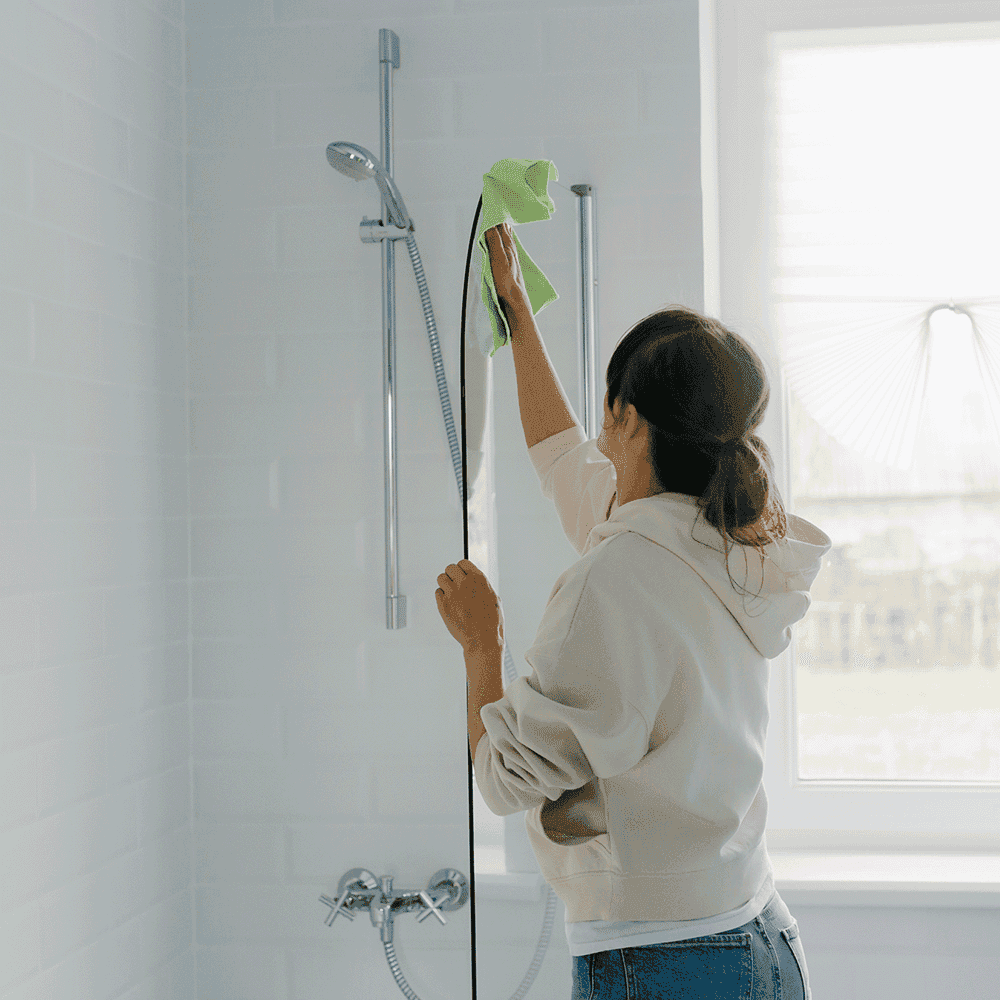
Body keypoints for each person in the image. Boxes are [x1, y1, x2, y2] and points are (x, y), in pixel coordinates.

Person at [470, 223, 831, 998]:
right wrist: (518, 316)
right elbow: (559, 453)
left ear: (627, 416)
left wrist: (480, 642)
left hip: (666, 962)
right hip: (762, 937)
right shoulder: (729, 542)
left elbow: (504, 779)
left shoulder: (612, 577)